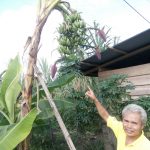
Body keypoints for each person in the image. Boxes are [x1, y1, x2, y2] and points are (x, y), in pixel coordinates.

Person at [85, 86, 150, 150]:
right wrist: (95, 99)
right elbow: (106, 116)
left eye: (134, 123)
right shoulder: (121, 129)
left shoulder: (146, 146)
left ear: (142, 126)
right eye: (126, 121)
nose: (129, 126)